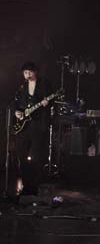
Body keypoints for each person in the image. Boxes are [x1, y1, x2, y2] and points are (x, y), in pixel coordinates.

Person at [13, 62, 52, 196]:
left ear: (36, 72)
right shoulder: (22, 87)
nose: (27, 75)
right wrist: (16, 112)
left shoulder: (44, 84)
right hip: (23, 127)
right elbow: (16, 103)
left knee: (36, 157)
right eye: (25, 73)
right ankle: (26, 186)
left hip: (37, 125)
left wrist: (48, 102)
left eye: (29, 72)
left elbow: (51, 98)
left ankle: (35, 187)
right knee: (22, 156)